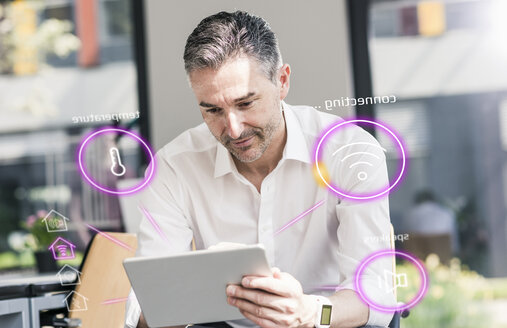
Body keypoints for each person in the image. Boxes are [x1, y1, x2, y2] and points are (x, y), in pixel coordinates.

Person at [125, 11, 395, 328]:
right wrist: (156, 310)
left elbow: (374, 297)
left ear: (282, 81)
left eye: (245, 103)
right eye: (212, 110)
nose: (234, 129)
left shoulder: (349, 152)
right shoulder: (173, 167)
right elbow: (150, 304)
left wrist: (309, 313)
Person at [403, 190, 459, 264]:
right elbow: (454, 245)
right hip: (443, 258)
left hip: (417, 260)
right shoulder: (447, 213)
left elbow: (406, 241)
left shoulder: (410, 215)